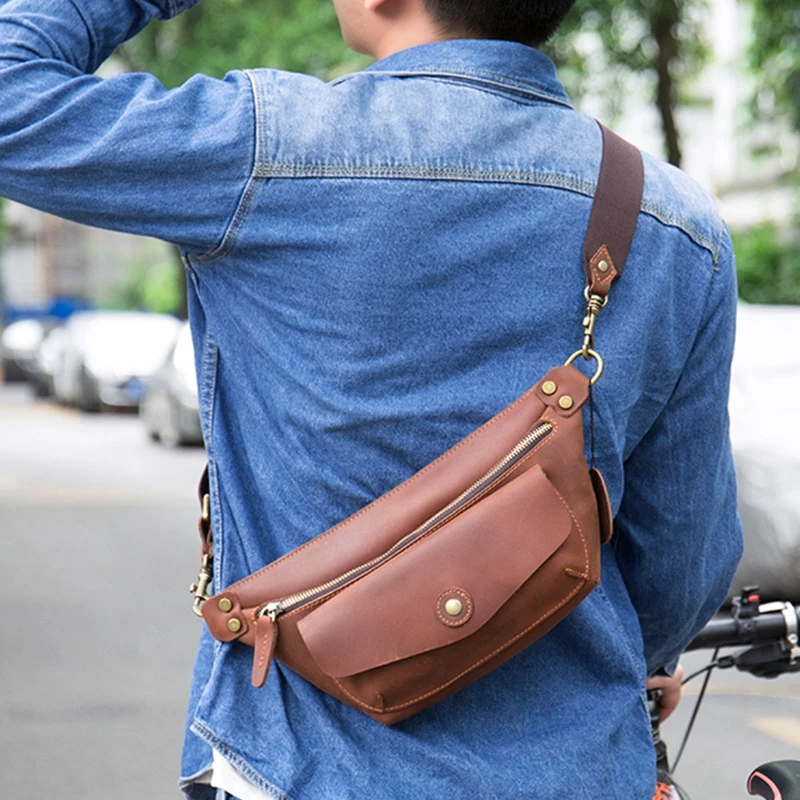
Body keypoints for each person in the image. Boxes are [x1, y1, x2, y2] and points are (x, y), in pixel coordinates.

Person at [0, 0, 742, 798]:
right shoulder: (672, 219)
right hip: (574, 771)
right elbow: (684, 556)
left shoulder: (268, 148)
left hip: (299, 765)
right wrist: (647, 657)